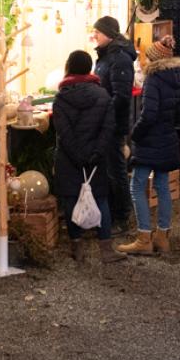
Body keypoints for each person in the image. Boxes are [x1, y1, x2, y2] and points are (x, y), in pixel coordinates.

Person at [52, 50, 125, 263]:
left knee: (71, 200)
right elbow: (108, 128)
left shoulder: (61, 99)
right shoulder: (103, 96)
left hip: (68, 158)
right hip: (96, 158)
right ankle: (106, 249)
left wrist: (76, 155)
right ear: (89, 68)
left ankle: (77, 248)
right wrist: (97, 152)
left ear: (69, 67)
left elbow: (63, 133)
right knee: (100, 198)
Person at [117, 35, 180, 255]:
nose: (144, 62)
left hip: (150, 141)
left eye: (146, 58)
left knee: (137, 186)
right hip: (168, 139)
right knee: (162, 186)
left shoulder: (154, 79)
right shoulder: (177, 79)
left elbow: (148, 114)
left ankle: (143, 238)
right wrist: (167, 127)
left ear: (154, 60)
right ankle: (163, 237)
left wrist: (135, 134)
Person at [91, 15, 137, 232]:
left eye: (97, 32)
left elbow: (121, 95)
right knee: (108, 168)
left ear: (108, 34)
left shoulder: (119, 59)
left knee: (116, 169)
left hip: (112, 123)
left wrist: (104, 112)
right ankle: (109, 214)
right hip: (103, 122)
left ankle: (122, 216)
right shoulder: (105, 56)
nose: (94, 36)